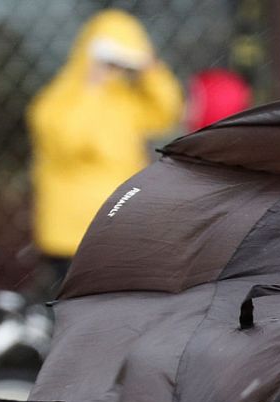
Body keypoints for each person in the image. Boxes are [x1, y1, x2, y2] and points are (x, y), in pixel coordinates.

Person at [27, 10, 182, 282]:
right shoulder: (57, 100)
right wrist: (91, 88)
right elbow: (70, 143)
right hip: (72, 235)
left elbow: (166, 112)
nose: (114, 70)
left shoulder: (123, 100)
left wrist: (150, 68)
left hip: (121, 229)